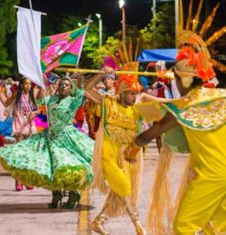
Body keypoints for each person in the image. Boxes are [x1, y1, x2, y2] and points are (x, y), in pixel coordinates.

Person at [125, 42, 226, 234]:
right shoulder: (221, 96)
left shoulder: (184, 106)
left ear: (183, 81)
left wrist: (132, 148)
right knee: (217, 227)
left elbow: (157, 129)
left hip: (212, 177)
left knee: (183, 226)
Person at [0, 74, 94, 208]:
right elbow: (38, 101)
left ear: (70, 88)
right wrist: (42, 85)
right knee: (52, 165)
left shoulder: (73, 100)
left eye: (66, 85)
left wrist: (88, 80)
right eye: (60, 85)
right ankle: (56, 194)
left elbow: (82, 91)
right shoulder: (51, 99)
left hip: (67, 137)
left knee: (67, 165)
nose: (62, 87)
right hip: (50, 136)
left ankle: (73, 194)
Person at [85, 66, 146, 235]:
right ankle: (138, 225)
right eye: (131, 93)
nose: (135, 97)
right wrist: (102, 74)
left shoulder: (137, 110)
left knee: (120, 192)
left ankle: (98, 222)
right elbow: (87, 89)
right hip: (108, 155)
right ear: (122, 93)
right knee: (125, 188)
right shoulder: (108, 102)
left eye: (136, 93)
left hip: (128, 157)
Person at [0, 77, 39, 191]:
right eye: (25, 83)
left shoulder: (33, 95)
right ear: (21, 85)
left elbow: (38, 109)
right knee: (19, 153)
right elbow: (6, 103)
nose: (27, 86)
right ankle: (18, 182)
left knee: (28, 154)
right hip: (19, 125)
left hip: (29, 125)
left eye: (29, 84)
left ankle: (27, 181)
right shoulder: (16, 95)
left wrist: (34, 113)